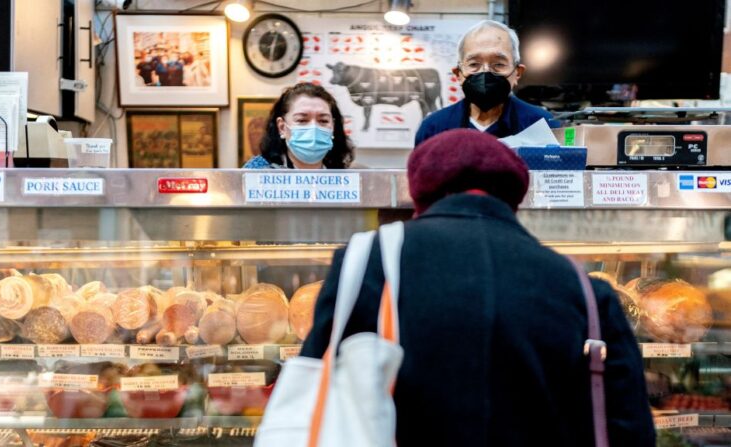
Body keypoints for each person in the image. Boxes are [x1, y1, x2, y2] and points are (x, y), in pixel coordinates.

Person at [301, 129, 655, 446]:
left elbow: (318, 392)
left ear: (418, 190)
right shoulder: (583, 288)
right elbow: (629, 426)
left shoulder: (366, 263)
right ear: (515, 196)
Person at [415, 20, 559, 145]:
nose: (485, 72)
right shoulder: (433, 128)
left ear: (517, 73)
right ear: (458, 74)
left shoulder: (543, 124)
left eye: (499, 64)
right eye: (473, 64)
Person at [243, 82, 354, 169]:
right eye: (302, 120)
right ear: (282, 127)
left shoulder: (348, 178)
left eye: (323, 121)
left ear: (333, 127)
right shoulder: (255, 173)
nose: (314, 128)